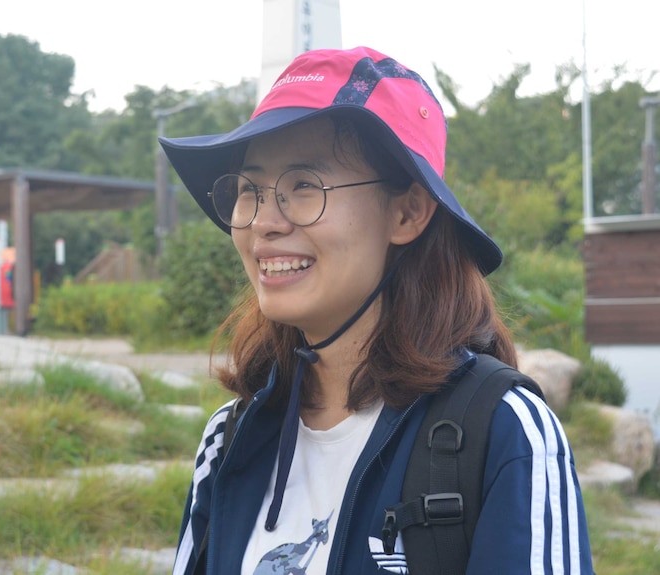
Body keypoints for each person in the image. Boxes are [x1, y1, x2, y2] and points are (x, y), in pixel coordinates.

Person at [159, 47, 594, 574]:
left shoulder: (506, 435)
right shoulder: (230, 440)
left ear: (408, 212)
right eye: (249, 189)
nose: (263, 222)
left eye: (304, 186)